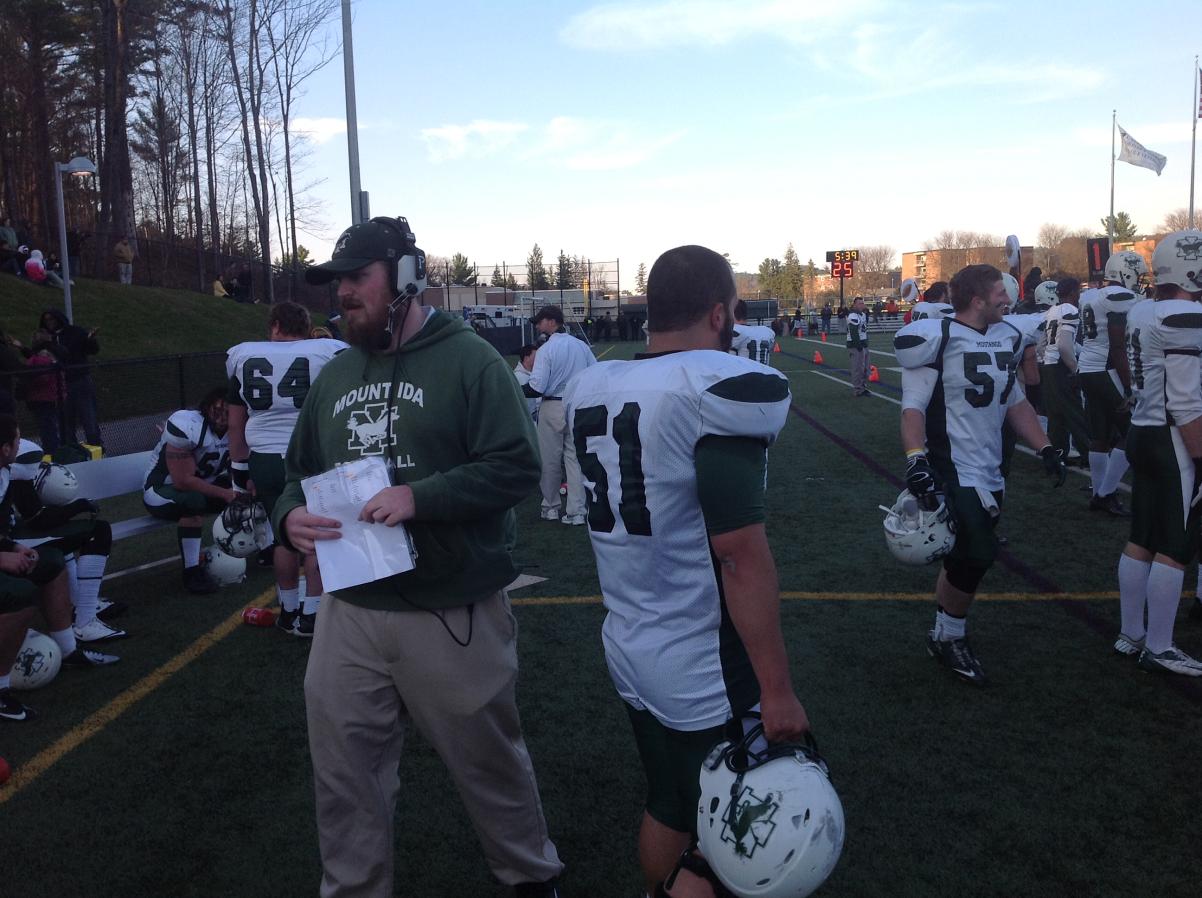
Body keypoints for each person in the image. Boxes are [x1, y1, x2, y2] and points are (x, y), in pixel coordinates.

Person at [275, 216, 563, 897]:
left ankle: (529, 875)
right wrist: (289, 515)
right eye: (336, 280)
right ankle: (354, 887)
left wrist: (420, 497)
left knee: (487, 762)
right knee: (343, 772)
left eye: (356, 277)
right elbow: (297, 470)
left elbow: (517, 466)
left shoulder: (469, 361)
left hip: (449, 606)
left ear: (406, 277)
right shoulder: (336, 372)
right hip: (349, 610)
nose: (343, 292)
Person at [564, 245, 809, 896]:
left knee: (671, 799)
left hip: (629, 637)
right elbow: (738, 552)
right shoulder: (712, 385)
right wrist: (777, 689)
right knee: (723, 837)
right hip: (700, 654)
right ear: (719, 312)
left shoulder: (596, 381)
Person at [895, 264, 1065, 685]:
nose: (1007, 299)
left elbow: (1015, 402)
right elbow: (913, 407)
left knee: (964, 555)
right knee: (978, 552)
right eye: (999, 294)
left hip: (990, 465)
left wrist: (1044, 446)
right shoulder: (939, 337)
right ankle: (952, 636)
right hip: (951, 464)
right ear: (977, 300)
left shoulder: (1007, 335)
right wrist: (916, 458)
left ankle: (942, 632)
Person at [226, 301, 345, 636]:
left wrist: (238, 474)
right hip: (310, 455)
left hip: (263, 457)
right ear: (306, 328)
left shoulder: (242, 355)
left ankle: (288, 611)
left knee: (283, 538)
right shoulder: (328, 350)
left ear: (275, 325)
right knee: (317, 536)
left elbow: (236, 424)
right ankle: (311, 615)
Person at [1114, 229, 1202, 676]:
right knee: (1177, 544)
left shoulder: (1143, 307)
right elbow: (1186, 401)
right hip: (1173, 439)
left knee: (1142, 537)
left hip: (1141, 431)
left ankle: (1131, 634)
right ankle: (1161, 645)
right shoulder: (1185, 313)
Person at [0, 413, 117, 722]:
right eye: (16, 438)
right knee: (22, 595)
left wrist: (12, 547)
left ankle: (68, 651)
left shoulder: (3, 473)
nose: (21, 442)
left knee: (50, 562)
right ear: (5, 448)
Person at [7, 438, 126, 642]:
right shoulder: (18, 460)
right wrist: (78, 506)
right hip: (9, 542)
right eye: (15, 439)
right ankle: (85, 621)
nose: (19, 442)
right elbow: (37, 520)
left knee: (64, 533)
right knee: (98, 531)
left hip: (9, 532)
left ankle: (77, 602)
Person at [142, 387, 234, 594]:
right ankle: (191, 572)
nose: (222, 418)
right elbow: (182, 481)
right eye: (217, 411)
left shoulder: (239, 426)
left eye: (229, 412)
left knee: (251, 494)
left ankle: (261, 548)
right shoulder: (187, 425)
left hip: (202, 486)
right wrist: (226, 494)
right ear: (206, 408)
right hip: (162, 489)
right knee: (194, 502)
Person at [1077, 252, 1147, 516]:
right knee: (1134, 432)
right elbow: (1118, 346)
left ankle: (1099, 493)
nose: (1139, 281)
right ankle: (1105, 493)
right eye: (1137, 275)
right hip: (1107, 371)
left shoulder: (1091, 296)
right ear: (1125, 273)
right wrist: (1130, 386)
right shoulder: (1120, 298)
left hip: (1088, 368)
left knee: (1101, 436)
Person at [525, 305, 596, 525]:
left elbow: (537, 387)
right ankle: (576, 511)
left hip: (552, 406)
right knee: (574, 459)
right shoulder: (581, 346)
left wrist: (513, 389)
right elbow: (595, 373)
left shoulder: (546, 349)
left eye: (540, 321)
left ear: (551, 321)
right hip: (577, 405)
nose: (537, 325)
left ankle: (551, 507)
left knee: (550, 460)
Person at [1039, 279, 1092, 470]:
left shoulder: (1052, 310)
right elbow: (1064, 345)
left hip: (1048, 365)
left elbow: (1045, 343)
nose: (1079, 295)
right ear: (1072, 292)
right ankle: (1089, 455)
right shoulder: (1070, 310)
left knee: (1056, 417)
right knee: (1075, 414)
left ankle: (1058, 455)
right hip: (1060, 367)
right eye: (1078, 291)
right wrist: (1075, 368)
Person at [39, 309, 102, 448]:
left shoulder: (75, 332)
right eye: (46, 320)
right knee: (66, 423)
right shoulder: (46, 338)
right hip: (60, 384)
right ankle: (70, 452)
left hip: (79, 380)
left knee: (88, 418)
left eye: (52, 319)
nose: (49, 323)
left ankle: (97, 448)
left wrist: (91, 340)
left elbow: (91, 349)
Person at [729, 299, 776, 365]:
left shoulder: (735, 331)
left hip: (743, 374)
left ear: (731, 314)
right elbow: (771, 346)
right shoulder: (766, 331)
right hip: (765, 373)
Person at [846, 295, 871, 395]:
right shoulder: (853, 316)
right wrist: (858, 345)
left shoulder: (862, 314)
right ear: (855, 305)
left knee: (866, 368)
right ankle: (858, 389)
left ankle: (863, 387)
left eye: (862, 303)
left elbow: (863, 329)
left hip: (863, 343)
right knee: (858, 368)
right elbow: (854, 332)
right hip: (856, 345)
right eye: (859, 303)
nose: (862, 305)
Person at [514, 344, 540, 420]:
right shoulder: (518, 377)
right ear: (526, 358)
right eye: (536, 356)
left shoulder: (535, 375)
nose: (539, 359)